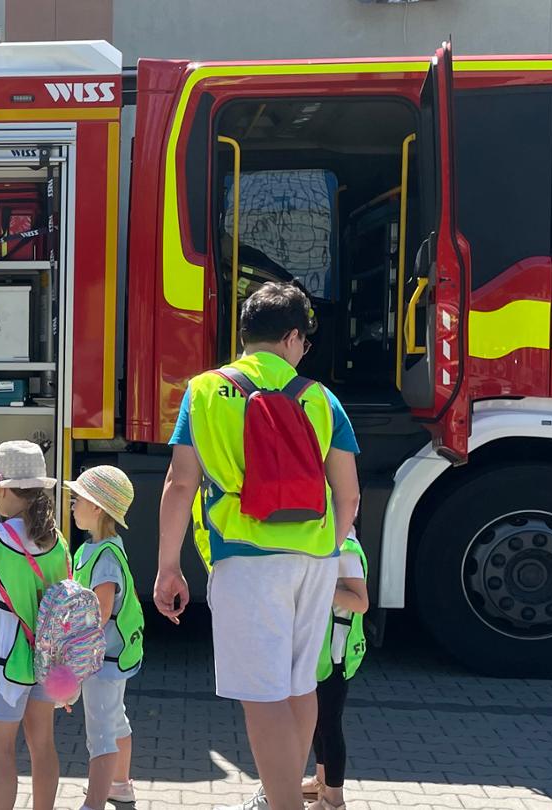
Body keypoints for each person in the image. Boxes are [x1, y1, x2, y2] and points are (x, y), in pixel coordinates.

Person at [153, 281, 360, 810]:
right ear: (291, 337)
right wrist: (325, 547)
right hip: (313, 558)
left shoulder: (203, 391)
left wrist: (168, 565)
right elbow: (349, 492)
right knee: (299, 686)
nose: (303, 351)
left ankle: (282, 803)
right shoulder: (321, 398)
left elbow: (180, 483)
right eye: (304, 342)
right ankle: (282, 796)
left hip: (245, 560)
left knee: (261, 695)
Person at [0, 440, 69, 810]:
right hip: (49, 658)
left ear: (4, 489)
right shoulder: (55, 540)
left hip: (6, 657)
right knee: (42, 745)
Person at [66, 465, 143, 810]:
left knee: (100, 734)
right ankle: (121, 785)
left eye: (77, 498)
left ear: (96, 507)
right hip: (110, 658)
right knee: (115, 720)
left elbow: (98, 613)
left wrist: (71, 666)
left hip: (100, 661)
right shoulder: (94, 549)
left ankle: (94, 802)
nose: (72, 505)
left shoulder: (105, 556)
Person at [303, 534, 369, 810]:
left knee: (329, 725)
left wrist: (320, 587)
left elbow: (360, 602)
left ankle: (334, 800)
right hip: (320, 654)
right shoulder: (330, 542)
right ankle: (321, 782)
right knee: (317, 723)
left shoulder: (347, 550)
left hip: (335, 656)